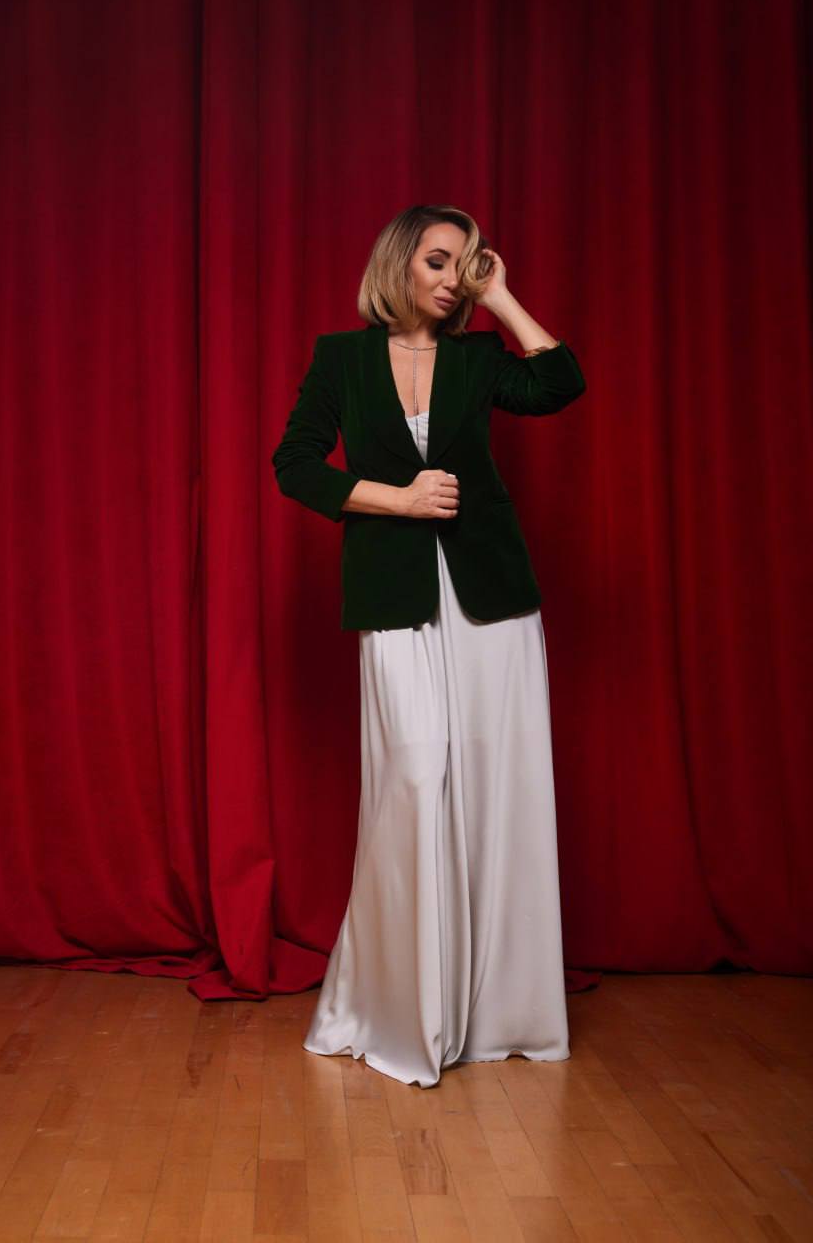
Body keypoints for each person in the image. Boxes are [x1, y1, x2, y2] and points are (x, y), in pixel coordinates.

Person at [271, 204, 587, 1088]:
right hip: (395, 593)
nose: (454, 279)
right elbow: (295, 465)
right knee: (413, 777)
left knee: (496, 791)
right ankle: (400, 1012)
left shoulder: (479, 359)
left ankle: (494, 1013)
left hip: (491, 601)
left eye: (468, 265)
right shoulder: (341, 358)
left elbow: (559, 384)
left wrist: (504, 298)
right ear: (399, 263)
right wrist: (397, 500)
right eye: (440, 261)